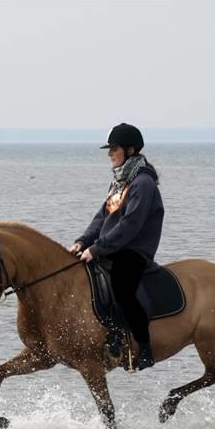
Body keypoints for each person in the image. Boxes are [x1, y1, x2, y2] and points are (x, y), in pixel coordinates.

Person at [68, 123, 164, 371]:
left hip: (133, 251)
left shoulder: (143, 184)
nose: (109, 153)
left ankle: (144, 349)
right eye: (109, 149)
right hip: (111, 247)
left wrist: (97, 249)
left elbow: (130, 225)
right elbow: (101, 219)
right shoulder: (120, 183)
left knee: (121, 287)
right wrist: (83, 241)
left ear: (130, 150)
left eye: (114, 148)